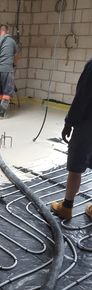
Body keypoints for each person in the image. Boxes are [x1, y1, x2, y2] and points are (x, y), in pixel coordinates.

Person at [50, 58, 92, 220]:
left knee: (75, 166)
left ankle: (66, 208)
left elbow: (82, 97)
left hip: (88, 124)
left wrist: (69, 122)